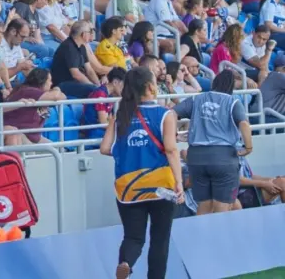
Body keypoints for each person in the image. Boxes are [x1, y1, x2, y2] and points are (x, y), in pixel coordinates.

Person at [100, 67, 183, 279]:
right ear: (149, 86)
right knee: (160, 239)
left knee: (133, 237)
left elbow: (105, 148)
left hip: (127, 186)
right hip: (161, 186)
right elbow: (172, 150)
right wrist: (180, 183)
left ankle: (126, 262)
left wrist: (129, 153)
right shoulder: (165, 114)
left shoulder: (119, 114)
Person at [173, 70, 253, 215]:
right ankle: (219, 237)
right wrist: (248, 147)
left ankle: (201, 237)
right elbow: (244, 124)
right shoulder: (232, 102)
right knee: (223, 206)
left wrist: (172, 133)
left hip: (196, 157)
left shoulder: (197, 99)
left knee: (204, 204)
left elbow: (172, 112)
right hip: (223, 157)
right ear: (231, 86)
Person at [50, 20, 99, 98]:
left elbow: (89, 70)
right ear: (84, 34)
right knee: (93, 90)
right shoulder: (68, 46)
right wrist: (94, 87)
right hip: (63, 84)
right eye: (90, 32)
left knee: (102, 90)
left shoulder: (82, 46)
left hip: (76, 82)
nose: (91, 34)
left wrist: (99, 86)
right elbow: (76, 74)